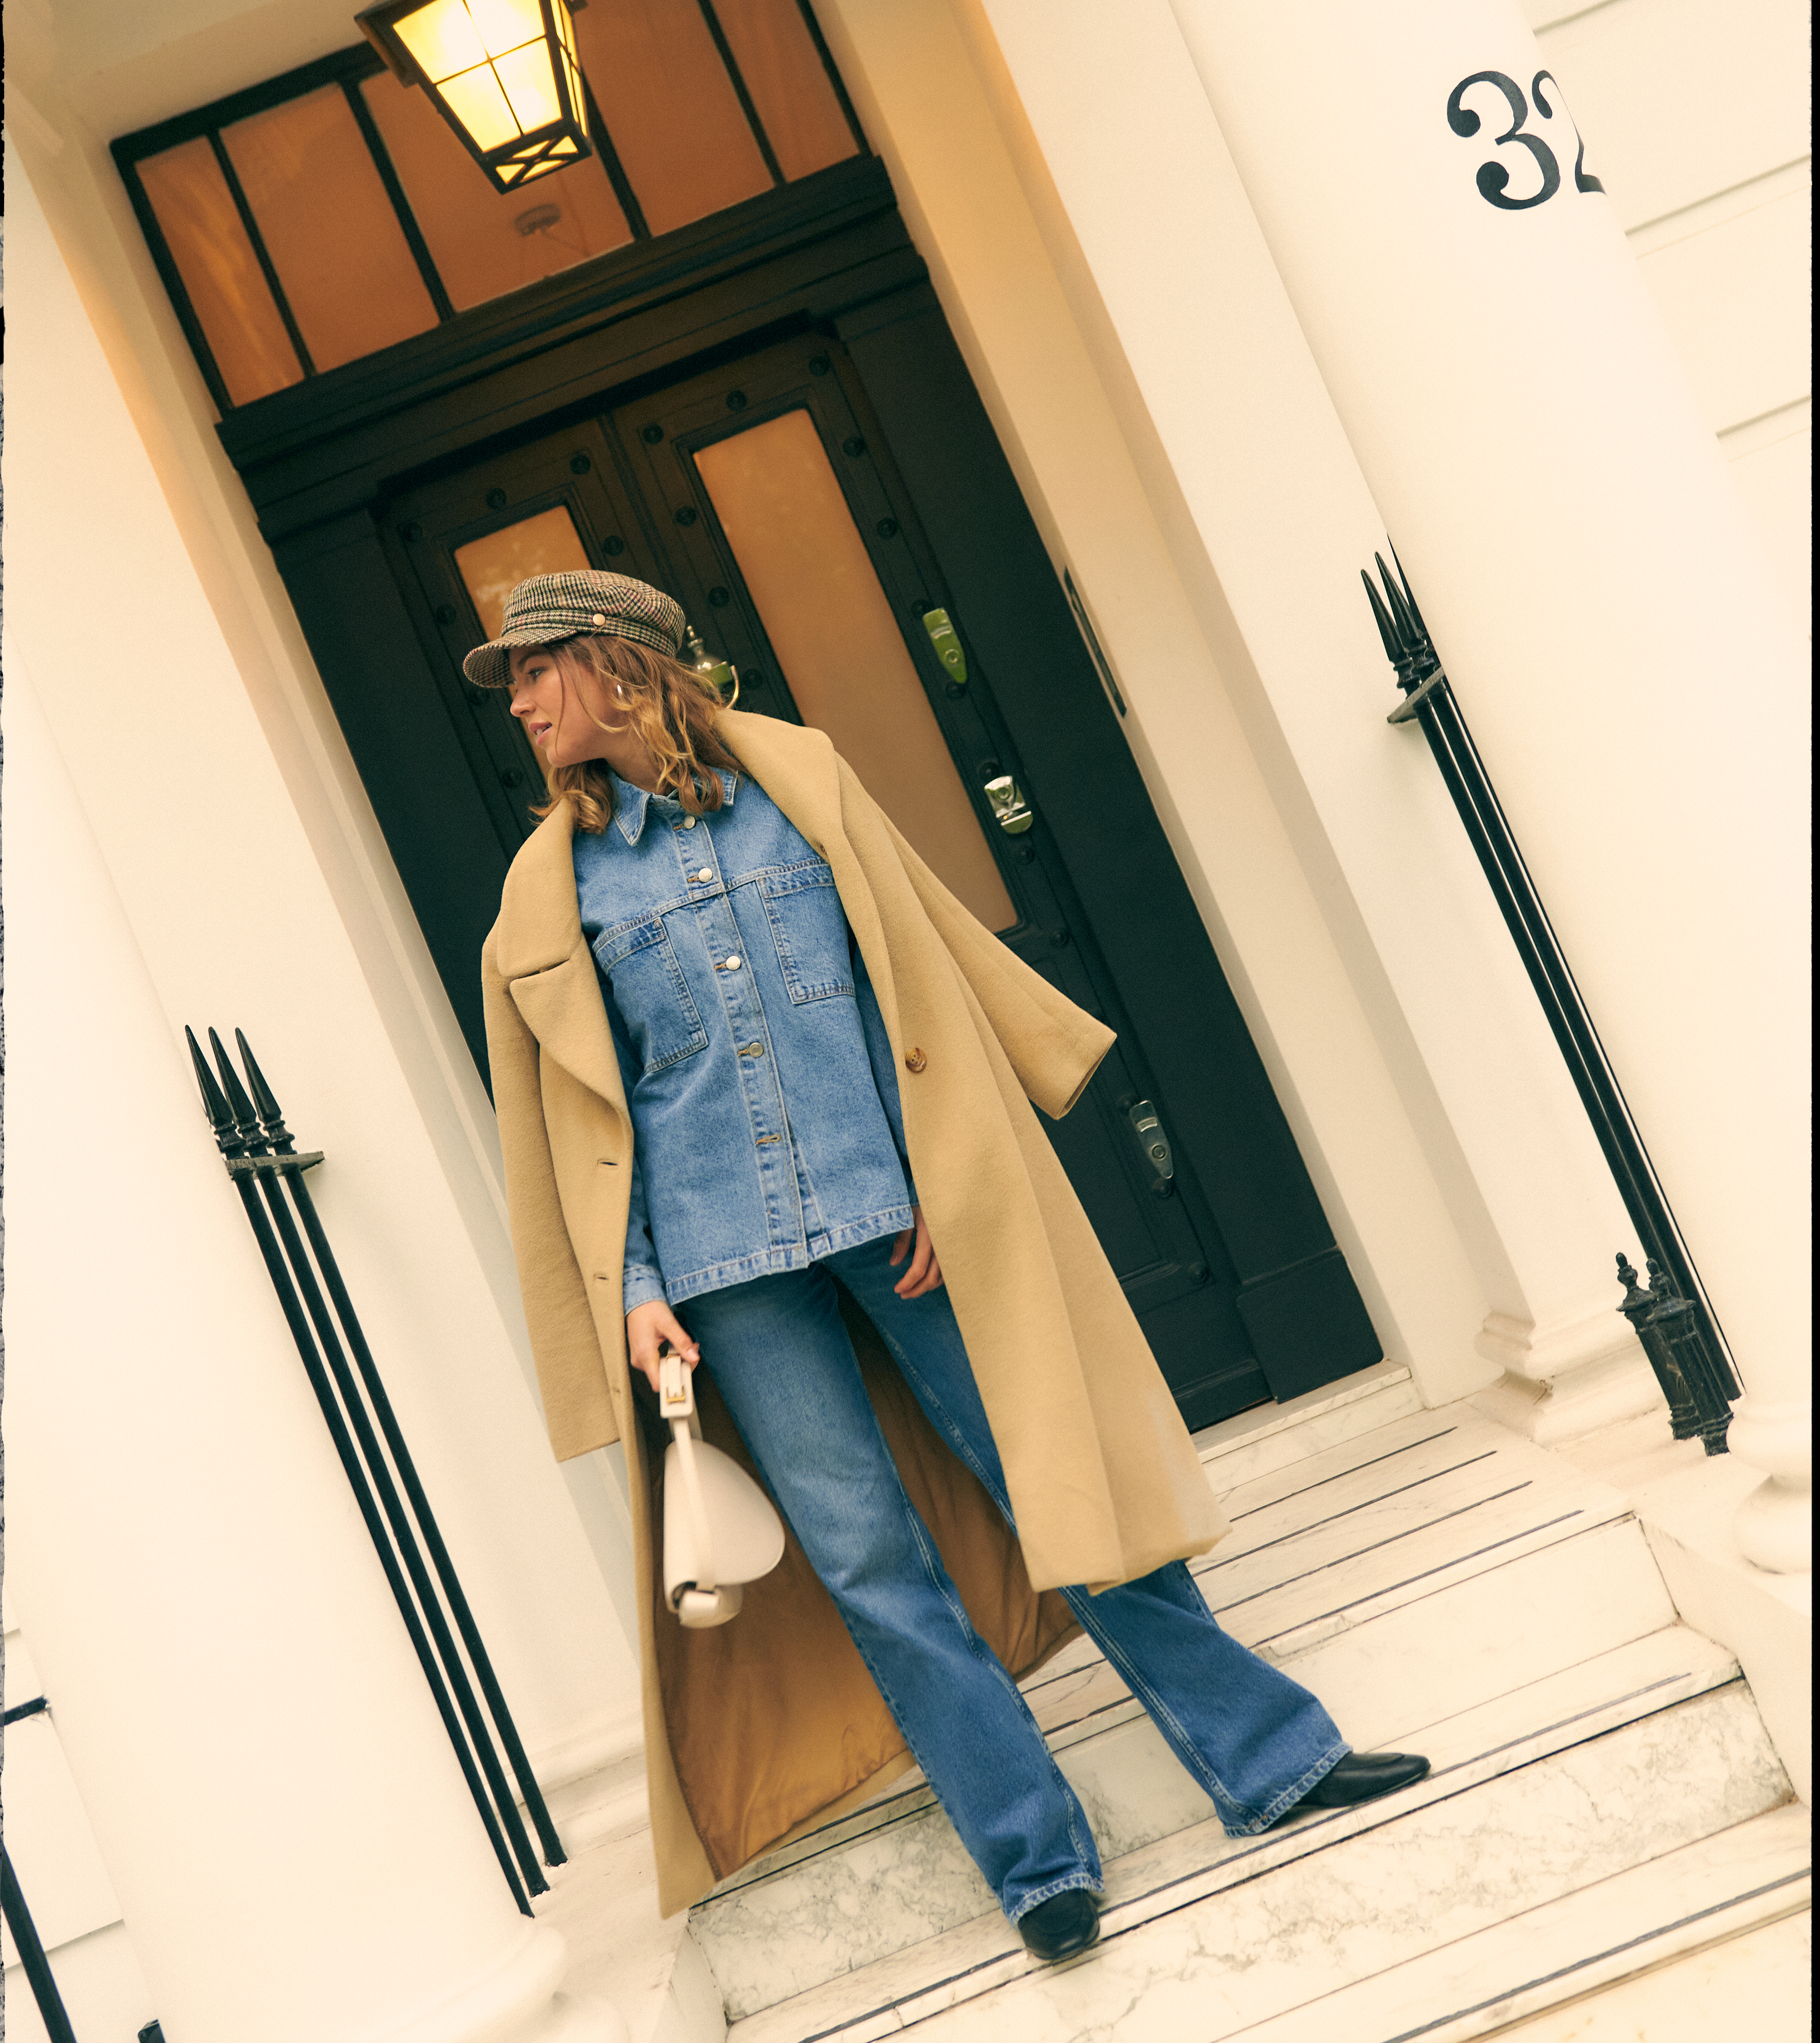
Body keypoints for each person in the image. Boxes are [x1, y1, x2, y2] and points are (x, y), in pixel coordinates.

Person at [472, 568, 1428, 1960]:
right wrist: (633, 1289)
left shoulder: (801, 786)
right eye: (508, 684)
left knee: (1057, 1473)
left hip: (895, 1205)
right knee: (868, 1561)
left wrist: (939, 1170)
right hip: (725, 1266)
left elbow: (904, 974)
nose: (521, 703)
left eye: (534, 671)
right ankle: (1036, 1862)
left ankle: (1270, 1757)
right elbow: (573, 1119)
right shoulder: (546, 892)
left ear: (619, 663)